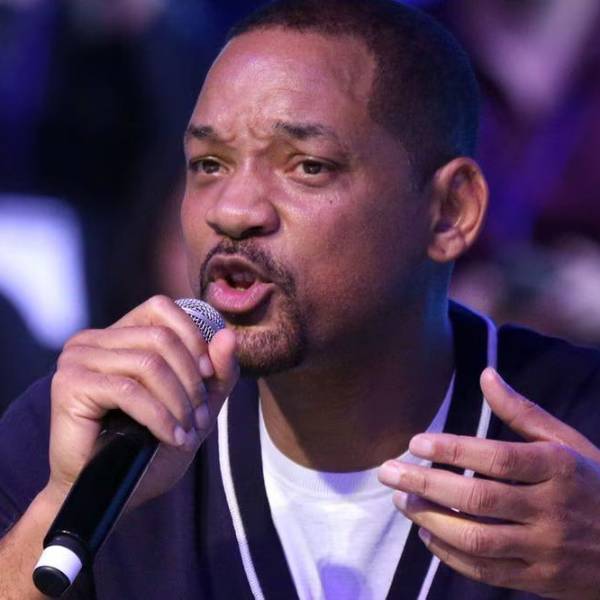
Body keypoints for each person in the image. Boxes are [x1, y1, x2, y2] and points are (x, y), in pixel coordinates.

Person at [1, 1, 600, 598]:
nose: (233, 211)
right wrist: (63, 499)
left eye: (308, 167)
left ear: (449, 211)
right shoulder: (93, 425)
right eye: (208, 164)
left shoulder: (581, 430)